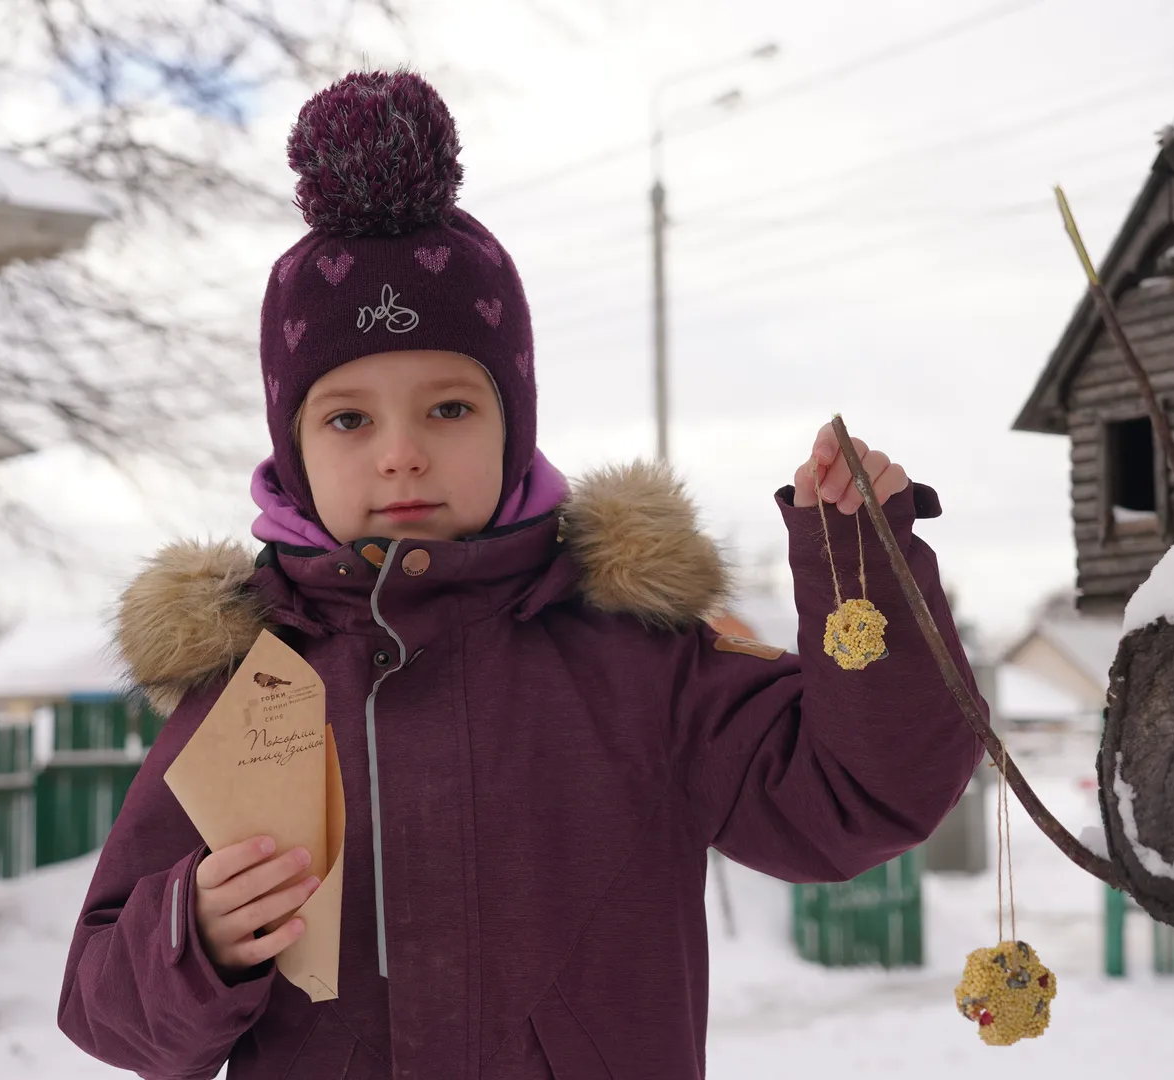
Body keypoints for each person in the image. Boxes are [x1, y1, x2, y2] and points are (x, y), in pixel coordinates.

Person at [57, 69, 985, 1080]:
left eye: (449, 408)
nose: (401, 452)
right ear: (293, 446)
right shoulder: (250, 684)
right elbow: (102, 1001)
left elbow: (860, 797)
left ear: (515, 423)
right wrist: (194, 936)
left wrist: (863, 572)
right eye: (350, 418)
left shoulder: (638, 657)